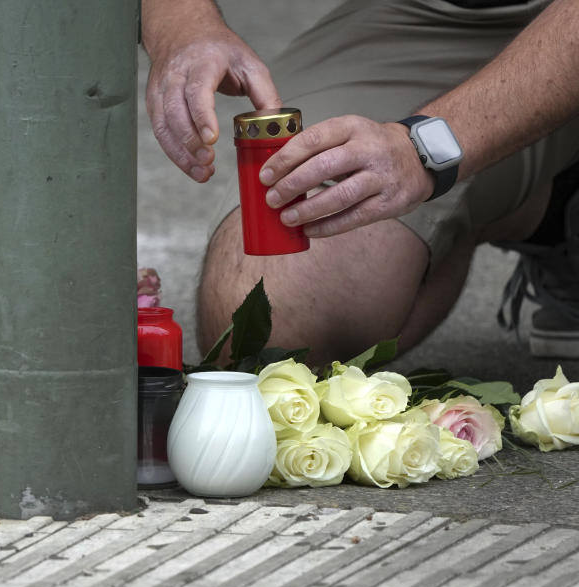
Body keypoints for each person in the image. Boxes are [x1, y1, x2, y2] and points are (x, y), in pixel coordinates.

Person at [141, 0, 579, 365]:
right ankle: (553, 208)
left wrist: (424, 149)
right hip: (445, 13)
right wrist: (183, 24)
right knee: (267, 334)